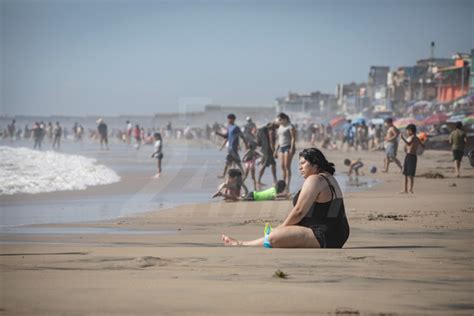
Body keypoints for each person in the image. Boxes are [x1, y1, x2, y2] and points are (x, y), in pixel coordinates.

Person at [222, 148, 350, 248]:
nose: (299, 167)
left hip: (325, 235)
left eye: (303, 163)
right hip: (339, 233)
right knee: (278, 232)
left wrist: (281, 228)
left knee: (274, 237)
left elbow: (299, 211)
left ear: (315, 164)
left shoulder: (314, 179)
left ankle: (241, 244)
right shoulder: (328, 177)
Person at [274, 112, 296, 193]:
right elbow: (279, 139)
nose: (279, 121)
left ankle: (288, 184)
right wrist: (275, 150)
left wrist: (292, 148)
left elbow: (293, 138)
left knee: (287, 166)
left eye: (280, 119)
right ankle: (283, 184)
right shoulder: (280, 126)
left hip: (288, 146)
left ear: (284, 119)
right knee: (282, 166)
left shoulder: (290, 126)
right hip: (281, 147)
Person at [400, 124, 423, 193]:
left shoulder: (412, 137)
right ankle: (409, 189)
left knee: (407, 174)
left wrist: (402, 138)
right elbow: (422, 145)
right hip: (413, 156)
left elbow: (409, 144)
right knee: (410, 174)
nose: (407, 132)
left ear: (410, 131)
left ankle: (407, 189)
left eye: (407, 131)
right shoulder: (417, 138)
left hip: (409, 156)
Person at [256, 122, 277, 189]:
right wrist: (274, 151)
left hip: (264, 150)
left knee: (272, 164)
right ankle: (259, 180)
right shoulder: (271, 132)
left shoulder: (264, 131)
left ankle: (274, 180)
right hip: (268, 151)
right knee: (264, 165)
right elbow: (271, 143)